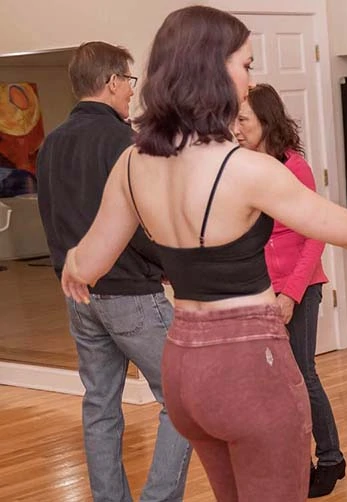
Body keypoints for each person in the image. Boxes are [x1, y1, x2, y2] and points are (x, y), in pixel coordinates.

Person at [59, 6, 347, 500]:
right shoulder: (243, 168)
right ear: (213, 69)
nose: (249, 78)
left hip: (183, 368)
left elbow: (86, 263)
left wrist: (71, 265)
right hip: (247, 368)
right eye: (246, 64)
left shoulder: (134, 162)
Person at [35, 41, 193, 502]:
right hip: (131, 297)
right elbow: (145, 222)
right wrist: (169, 266)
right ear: (110, 83)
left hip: (79, 295)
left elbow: (52, 219)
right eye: (128, 81)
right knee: (183, 399)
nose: (130, 92)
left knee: (100, 407)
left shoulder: (50, 144)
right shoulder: (126, 143)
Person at [233, 83, 346, 497]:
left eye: (243, 119)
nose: (236, 128)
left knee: (302, 374)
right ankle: (290, 461)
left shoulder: (294, 167)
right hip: (259, 292)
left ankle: (330, 458)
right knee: (269, 382)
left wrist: (291, 294)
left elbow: (314, 236)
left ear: (266, 121)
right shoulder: (241, 168)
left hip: (298, 286)